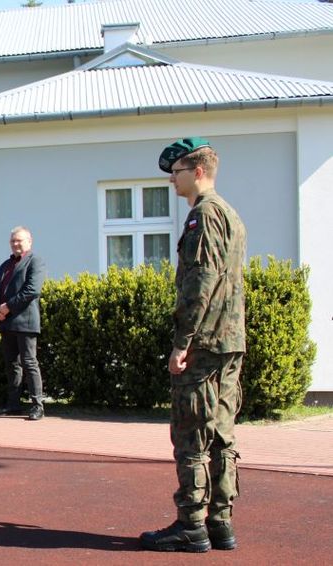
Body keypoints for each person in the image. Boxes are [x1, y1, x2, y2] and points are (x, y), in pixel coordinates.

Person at [141, 137, 247, 553]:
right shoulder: (231, 215)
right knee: (222, 434)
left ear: (197, 171)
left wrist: (182, 343)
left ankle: (191, 524)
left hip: (204, 344)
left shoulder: (203, 216)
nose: (172, 180)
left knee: (190, 435)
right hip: (228, 341)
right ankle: (220, 522)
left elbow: (200, 284)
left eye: (177, 172)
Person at [0, 227, 46, 421]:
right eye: (13, 241)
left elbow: (31, 290)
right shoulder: (5, 265)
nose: (15, 244)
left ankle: (37, 406)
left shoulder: (35, 261)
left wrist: (6, 307)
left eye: (19, 241)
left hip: (25, 321)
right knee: (11, 364)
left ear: (29, 242)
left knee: (30, 363)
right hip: (6, 323)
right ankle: (13, 405)